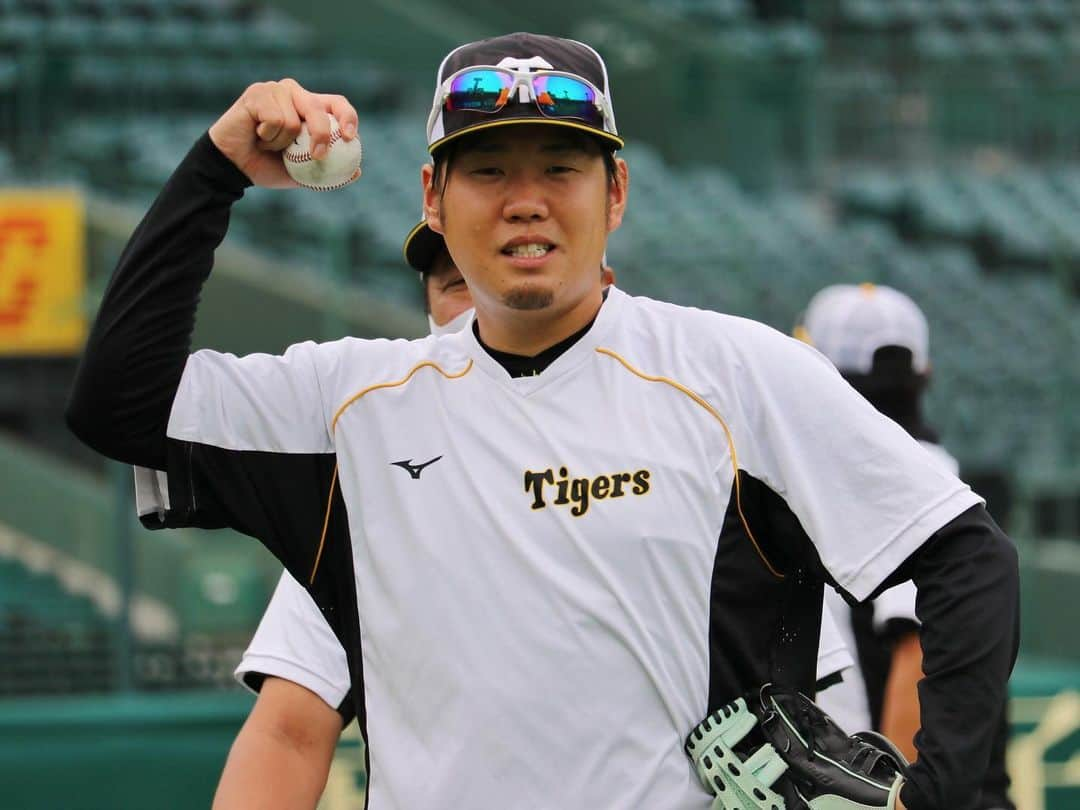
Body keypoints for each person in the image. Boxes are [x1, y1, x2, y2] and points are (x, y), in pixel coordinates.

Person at [66, 31, 1017, 809]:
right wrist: (217, 169)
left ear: (616, 193)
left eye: (561, 166)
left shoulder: (734, 373)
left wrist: (941, 796)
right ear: (434, 201)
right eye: (488, 170)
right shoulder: (349, 406)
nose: (526, 200)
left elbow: (965, 554)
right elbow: (120, 402)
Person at [216, 235, 854, 809]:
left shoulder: (703, 459)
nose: (482, 301)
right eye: (457, 281)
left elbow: (814, 716)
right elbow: (289, 733)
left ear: (601, 281)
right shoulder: (372, 485)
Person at [801, 283, 1016, 810]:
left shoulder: (894, 477)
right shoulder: (926, 470)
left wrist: (897, 797)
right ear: (924, 375)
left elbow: (919, 647)